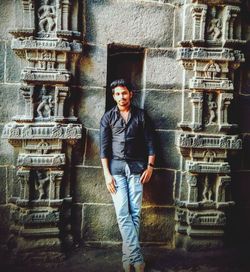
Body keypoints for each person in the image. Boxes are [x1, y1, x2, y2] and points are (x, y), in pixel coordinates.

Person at [100, 79, 156, 272]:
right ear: (113, 96)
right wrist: (107, 175)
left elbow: (151, 143)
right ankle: (137, 257)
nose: (121, 97)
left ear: (131, 93)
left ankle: (127, 256)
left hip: (137, 169)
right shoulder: (108, 118)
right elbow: (103, 149)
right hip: (115, 171)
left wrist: (150, 167)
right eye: (117, 94)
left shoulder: (141, 116)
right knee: (123, 212)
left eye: (124, 93)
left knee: (135, 214)